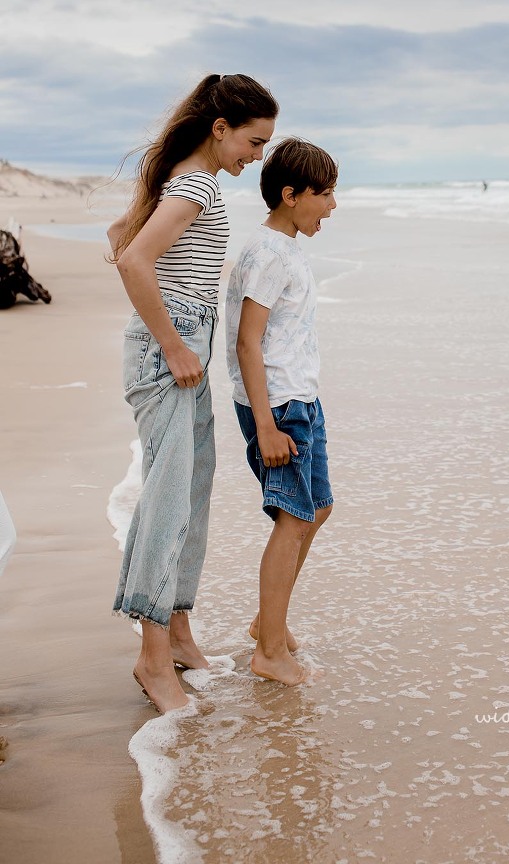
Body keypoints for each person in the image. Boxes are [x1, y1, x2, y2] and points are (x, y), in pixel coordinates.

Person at [109, 73, 279, 714]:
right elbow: (132, 261)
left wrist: (185, 334)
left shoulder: (186, 180)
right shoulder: (194, 184)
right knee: (167, 500)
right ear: (221, 128)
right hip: (171, 350)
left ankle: (178, 635)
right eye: (253, 142)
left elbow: (119, 237)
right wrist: (176, 344)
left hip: (183, 341)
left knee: (193, 489)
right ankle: (153, 660)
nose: (257, 156)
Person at [226, 138, 338, 686]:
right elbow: (249, 342)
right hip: (280, 407)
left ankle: (266, 623)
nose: (333, 206)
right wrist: (266, 424)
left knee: (315, 510)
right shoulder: (269, 253)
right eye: (326, 194)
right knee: (293, 520)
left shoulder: (288, 246)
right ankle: (269, 652)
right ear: (291, 196)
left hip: (300, 399)